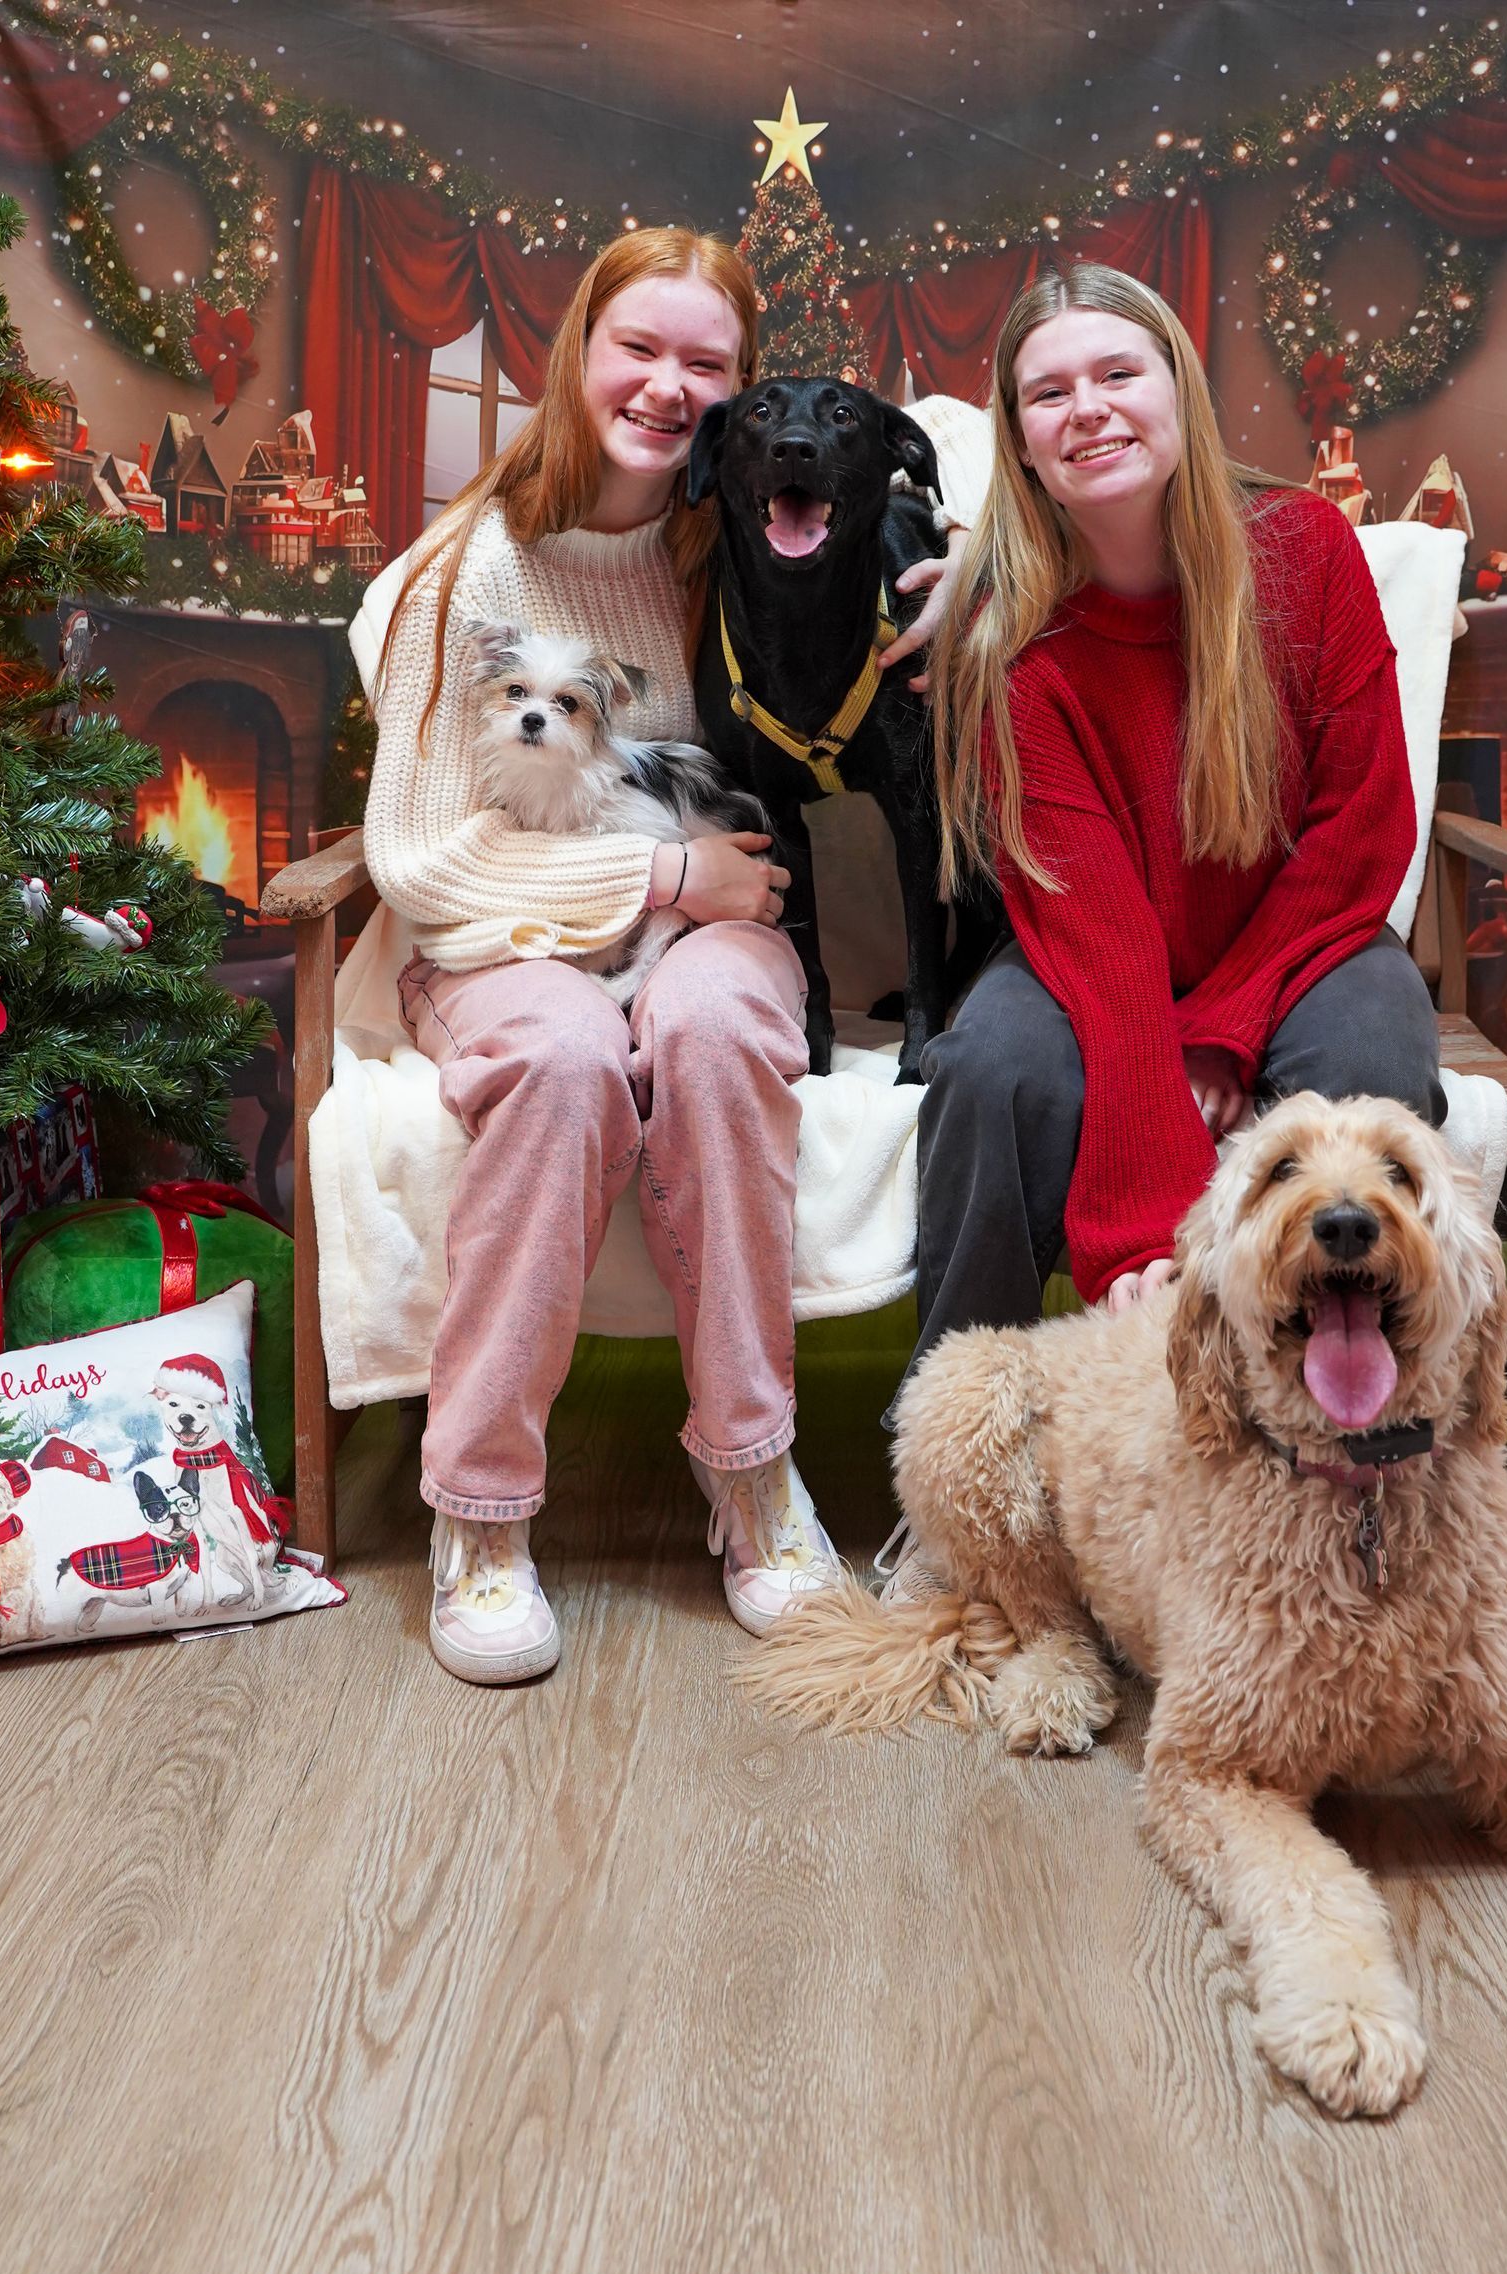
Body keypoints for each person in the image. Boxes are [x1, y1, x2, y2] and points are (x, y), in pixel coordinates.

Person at [358, 228, 960, 1686]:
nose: (670, 385)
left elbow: (943, 505)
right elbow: (422, 860)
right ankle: (483, 1512)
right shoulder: (461, 575)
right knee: (567, 1063)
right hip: (505, 924)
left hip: (716, 919)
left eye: (709, 363)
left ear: (742, 400)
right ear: (576, 354)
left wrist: (965, 590)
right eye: (641, 347)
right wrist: (657, 872)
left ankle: (754, 1475)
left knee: (707, 1035)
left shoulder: (740, 529)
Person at [878, 261, 1442, 1593]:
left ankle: (1361, 1471)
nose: (1088, 409)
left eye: (1117, 374)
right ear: (1018, 440)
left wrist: (1227, 1032)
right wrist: (1138, 1231)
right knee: (994, 1069)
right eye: (1047, 391)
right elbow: (1095, 927)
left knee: (1373, 1047)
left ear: (1179, 391)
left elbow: (1361, 831)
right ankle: (962, 1485)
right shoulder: (1015, 643)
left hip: (1303, 938)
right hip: (1096, 952)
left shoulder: (1307, 554)